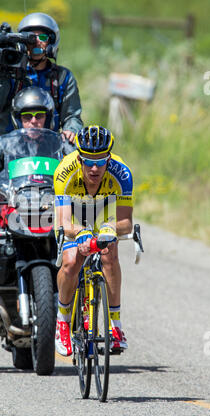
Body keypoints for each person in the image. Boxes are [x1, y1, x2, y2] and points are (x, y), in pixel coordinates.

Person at [0, 86, 61, 334]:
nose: (34, 122)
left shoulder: (60, 145)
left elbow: (78, 171)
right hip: (12, 205)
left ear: (48, 116)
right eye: (27, 117)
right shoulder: (3, 144)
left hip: (48, 207)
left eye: (39, 115)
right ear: (18, 118)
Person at [54, 125, 133, 356]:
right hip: (75, 214)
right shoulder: (64, 171)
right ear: (79, 158)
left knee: (110, 254)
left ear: (109, 157)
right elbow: (63, 224)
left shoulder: (122, 173)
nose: (95, 167)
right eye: (89, 161)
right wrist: (80, 233)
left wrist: (109, 228)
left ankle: (115, 326)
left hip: (104, 212)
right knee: (71, 261)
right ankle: (63, 321)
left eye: (101, 160)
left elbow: (126, 222)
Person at [0, 12, 83, 142]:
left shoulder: (63, 77)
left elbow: (72, 116)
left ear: (52, 41)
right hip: (9, 148)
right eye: (29, 37)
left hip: (49, 150)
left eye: (43, 37)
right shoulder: (9, 74)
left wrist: (71, 130)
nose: (36, 42)